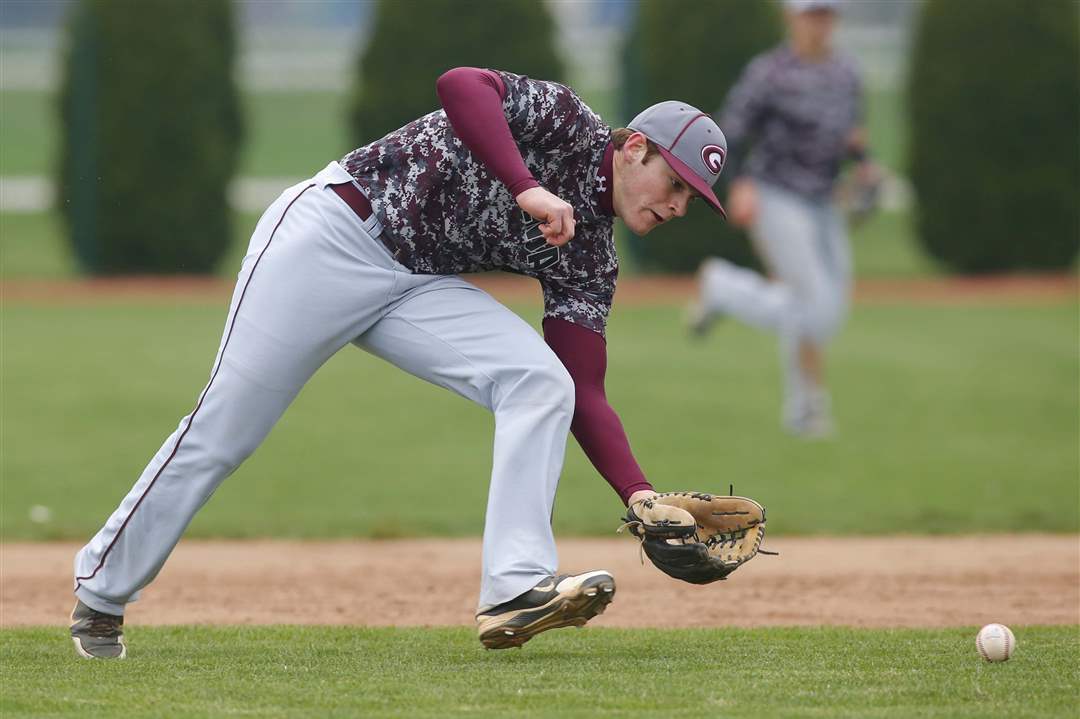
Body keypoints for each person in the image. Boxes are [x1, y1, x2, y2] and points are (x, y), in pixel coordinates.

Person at [69, 66, 730, 658]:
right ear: (636, 147)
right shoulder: (568, 122)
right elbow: (460, 85)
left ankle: (515, 587)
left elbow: (583, 387)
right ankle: (101, 594)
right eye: (675, 182)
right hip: (332, 235)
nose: (677, 205)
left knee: (539, 381)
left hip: (415, 283)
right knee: (224, 431)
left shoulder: (592, 257)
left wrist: (639, 494)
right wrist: (526, 186)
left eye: (691, 198)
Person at [687, 0, 880, 438]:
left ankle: (725, 288)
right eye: (812, 14)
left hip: (824, 201)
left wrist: (865, 164)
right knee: (813, 304)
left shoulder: (846, 73)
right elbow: (728, 132)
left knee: (828, 308)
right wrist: (738, 184)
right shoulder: (769, 72)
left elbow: (851, 133)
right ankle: (808, 407)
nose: (820, 23)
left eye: (827, 14)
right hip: (776, 196)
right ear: (791, 18)